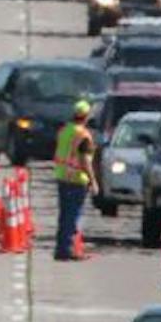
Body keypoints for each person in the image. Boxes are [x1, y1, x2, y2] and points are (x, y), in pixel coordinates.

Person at [52, 99, 98, 261]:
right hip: (77, 179)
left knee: (64, 215)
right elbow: (85, 159)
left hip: (62, 176)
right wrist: (93, 181)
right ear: (86, 116)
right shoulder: (83, 135)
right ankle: (67, 249)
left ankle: (61, 248)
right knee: (73, 216)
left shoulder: (64, 130)